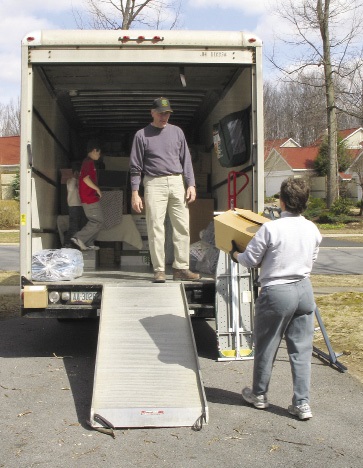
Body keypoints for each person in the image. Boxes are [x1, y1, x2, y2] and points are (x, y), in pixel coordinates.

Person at [230, 177, 322, 420]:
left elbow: (250, 260)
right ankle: (302, 404)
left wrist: (235, 254)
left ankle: (259, 395)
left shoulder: (271, 228)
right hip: (304, 288)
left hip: (277, 291)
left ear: (281, 201)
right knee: (301, 350)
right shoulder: (312, 228)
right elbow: (311, 260)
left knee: (267, 344)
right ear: (305, 202)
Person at [130, 97, 200, 283]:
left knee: (182, 226)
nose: (164, 116)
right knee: (155, 227)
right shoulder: (141, 135)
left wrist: (191, 183)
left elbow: (186, 159)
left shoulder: (177, 132)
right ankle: (159, 270)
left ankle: (181, 268)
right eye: (161, 113)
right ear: (152, 112)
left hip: (177, 182)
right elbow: (135, 166)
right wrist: (135, 192)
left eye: (167, 113)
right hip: (153, 183)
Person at [71, 140, 104, 251]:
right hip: (89, 198)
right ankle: (79, 237)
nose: (99, 156)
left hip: (90, 197)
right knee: (97, 221)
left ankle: (89, 242)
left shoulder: (89, 163)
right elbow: (85, 178)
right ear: (94, 150)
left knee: (98, 221)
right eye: (99, 153)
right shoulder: (88, 162)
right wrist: (97, 189)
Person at [63, 162, 87, 248]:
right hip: (74, 206)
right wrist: (74, 178)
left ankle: (74, 244)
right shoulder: (70, 181)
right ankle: (66, 243)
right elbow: (71, 188)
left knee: (80, 226)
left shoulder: (80, 181)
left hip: (81, 205)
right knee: (74, 227)